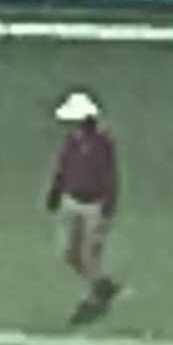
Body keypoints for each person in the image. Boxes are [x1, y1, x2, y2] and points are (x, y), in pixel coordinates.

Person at [47, 93, 121, 325]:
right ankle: (100, 284)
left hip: (94, 205)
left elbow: (109, 175)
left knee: (89, 253)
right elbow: (63, 166)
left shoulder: (103, 143)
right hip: (72, 200)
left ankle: (93, 296)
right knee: (71, 254)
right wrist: (56, 190)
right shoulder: (71, 141)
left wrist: (108, 205)